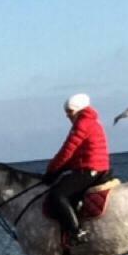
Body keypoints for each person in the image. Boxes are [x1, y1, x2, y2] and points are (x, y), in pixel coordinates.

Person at [44, 93, 110, 245]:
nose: (68, 116)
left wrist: (51, 170)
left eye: (70, 112)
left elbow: (67, 151)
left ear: (79, 110)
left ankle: (76, 232)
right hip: (94, 167)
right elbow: (76, 154)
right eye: (67, 112)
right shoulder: (91, 122)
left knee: (57, 195)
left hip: (89, 169)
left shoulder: (82, 124)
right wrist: (61, 169)